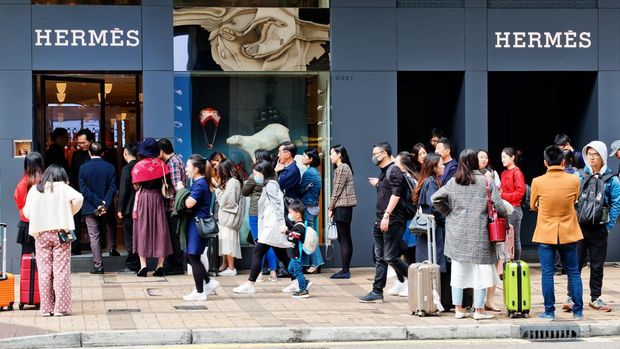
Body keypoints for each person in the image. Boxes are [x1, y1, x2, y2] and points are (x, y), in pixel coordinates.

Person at [431, 149, 508, 320]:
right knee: (481, 272)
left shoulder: (453, 181)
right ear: (474, 162)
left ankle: (459, 309)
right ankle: (478, 310)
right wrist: (506, 221)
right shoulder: (486, 181)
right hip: (480, 233)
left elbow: (435, 198)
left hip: (456, 233)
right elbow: (500, 207)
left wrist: (449, 213)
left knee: (458, 271)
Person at [564, 141, 620, 312]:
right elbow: (571, 199)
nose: (592, 158)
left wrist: (608, 226)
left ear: (602, 156)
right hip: (579, 227)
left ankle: (596, 298)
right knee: (575, 264)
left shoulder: (612, 179)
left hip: (599, 229)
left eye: (595, 154)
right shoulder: (579, 176)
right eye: (589, 154)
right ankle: (571, 297)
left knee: (597, 265)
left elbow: (616, 203)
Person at [530, 145, 584, 320]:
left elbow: (532, 205)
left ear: (545, 163)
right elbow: (576, 199)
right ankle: (578, 311)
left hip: (546, 232)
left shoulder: (538, 181)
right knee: (573, 272)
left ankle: (549, 311)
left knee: (547, 273)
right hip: (569, 232)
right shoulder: (574, 180)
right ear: (563, 161)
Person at [233, 161, 302, 294]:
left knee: (258, 253)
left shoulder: (270, 185)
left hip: (272, 227)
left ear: (262, 173)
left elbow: (277, 205)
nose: (254, 176)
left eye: (255, 173)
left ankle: (250, 283)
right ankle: (298, 281)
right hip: (272, 226)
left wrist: (282, 223)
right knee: (282, 255)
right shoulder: (271, 184)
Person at [23, 165, 83, 317]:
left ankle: (46, 308)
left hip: (41, 233)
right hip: (61, 233)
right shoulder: (63, 187)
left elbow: (27, 212)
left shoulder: (35, 189)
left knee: (44, 271)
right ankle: (60, 308)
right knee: (61, 270)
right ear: (61, 176)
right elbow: (79, 198)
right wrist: (68, 210)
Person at [359, 142, 409, 303]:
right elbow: (387, 191)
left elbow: (396, 194)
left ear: (385, 153)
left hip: (392, 220)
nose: (374, 156)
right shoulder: (384, 172)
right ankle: (377, 291)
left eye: (376, 153)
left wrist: (387, 215)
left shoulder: (394, 170)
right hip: (380, 219)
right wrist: (379, 184)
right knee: (380, 257)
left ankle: (417, 279)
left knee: (390, 256)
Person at [131, 138, 173, 277]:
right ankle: (159, 266)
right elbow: (168, 183)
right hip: (158, 199)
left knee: (142, 230)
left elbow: (136, 186)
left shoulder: (138, 166)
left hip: (143, 199)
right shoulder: (161, 165)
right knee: (160, 230)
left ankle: (143, 267)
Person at [411, 153, 448, 304]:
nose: (444, 166)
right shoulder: (431, 182)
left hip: (426, 232)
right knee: (433, 263)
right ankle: (434, 300)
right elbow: (435, 206)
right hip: (432, 232)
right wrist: (447, 216)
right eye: (441, 163)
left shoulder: (426, 181)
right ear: (434, 167)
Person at [182, 154, 220, 301]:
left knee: (193, 256)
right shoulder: (200, 182)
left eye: (188, 166)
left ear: (196, 168)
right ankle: (209, 283)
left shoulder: (200, 184)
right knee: (189, 255)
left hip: (198, 224)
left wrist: (180, 190)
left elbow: (189, 203)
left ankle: (200, 292)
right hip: (195, 223)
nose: (186, 169)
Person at [79, 142, 117, 274]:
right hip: (107, 205)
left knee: (94, 236)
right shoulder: (110, 167)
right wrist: (104, 203)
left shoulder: (83, 168)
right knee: (110, 227)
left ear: (89, 153)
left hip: (90, 206)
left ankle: (98, 265)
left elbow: (83, 189)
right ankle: (112, 249)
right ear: (103, 153)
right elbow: (113, 188)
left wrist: (96, 202)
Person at [242, 149, 278, 282]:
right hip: (268, 211)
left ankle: (259, 274)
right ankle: (273, 273)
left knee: (259, 243)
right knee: (268, 241)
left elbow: (244, 192)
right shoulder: (273, 174)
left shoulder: (254, 175)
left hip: (255, 211)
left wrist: (252, 192)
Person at [328, 145, 357, 279]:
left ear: (339, 154)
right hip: (345, 207)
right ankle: (345, 270)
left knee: (344, 238)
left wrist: (330, 207)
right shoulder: (343, 168)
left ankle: (345, 271)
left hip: (342, 207)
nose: (330, 156)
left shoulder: (342, 168)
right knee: (345, 238)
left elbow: (337, 190)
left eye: (332, 153)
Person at [158, 138, 187, 275]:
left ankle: (177, 265)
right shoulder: (175, 161)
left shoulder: (173, 164)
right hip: (175, 206)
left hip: (174, 206)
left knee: (175, 236)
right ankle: (175, 263)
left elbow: (177, 187)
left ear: (162, 151)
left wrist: (165, 192)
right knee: (175, 235)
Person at [214, 159, 245, 276]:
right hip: (228, 218)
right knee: (226, 241)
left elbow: (227, 203)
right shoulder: (232, 181)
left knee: (229, 242)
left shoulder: (233, 182)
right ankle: (226, 265)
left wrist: (217, 190)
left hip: (229, 219)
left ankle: (231, 269)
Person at [297, 148, 324, 274]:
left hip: (309, 207)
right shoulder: (314, 172)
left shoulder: (309, 173)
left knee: (310, 237)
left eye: (304, 156)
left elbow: (300, 190)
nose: (302, 158)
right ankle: (308, 263)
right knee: (309, 236)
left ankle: (316, 263)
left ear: (310, 159)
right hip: (312, 207)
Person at [14, 152, 44, 255]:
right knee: (43, 258)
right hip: (40, 224)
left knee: (28, 258)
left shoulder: (22, 184)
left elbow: (20, 205)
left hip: (28, 224)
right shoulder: (44, 182)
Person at [69, 129, 94, 255]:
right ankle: (76, 246)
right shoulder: (76, 154)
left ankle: (97, 247)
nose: (80, 145)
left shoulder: (96, 153)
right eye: (79, 143)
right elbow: (73, 172)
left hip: (94, 192)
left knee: (95, 220)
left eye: (83, 142)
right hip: (79, 191)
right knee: (76, 220)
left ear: (91, 141)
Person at [500, 147, 526, 260]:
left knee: (514, 238)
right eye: (502, 158)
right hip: (505, 208)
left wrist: (502, 195)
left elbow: (520, 193)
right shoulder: (504, 173)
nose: (502, 160)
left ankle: (516, 263)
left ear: (512, 157)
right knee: (506, 238)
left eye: (505, 157)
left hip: (514, 209)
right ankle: (508, 264)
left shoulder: (517, 172)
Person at [118, 143, 140, 272]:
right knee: (138, 235)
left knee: (129, 236)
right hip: (141, 207)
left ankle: (132, 263)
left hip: (129, 208)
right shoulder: (140, 166)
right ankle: (138, 262)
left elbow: (123, 190)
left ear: (125, 153)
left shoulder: (126, 169)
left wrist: (120, 208)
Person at [285, 198, 311, 298]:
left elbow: (293, 238)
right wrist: (288, 232)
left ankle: (303, 290)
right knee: (291, 269)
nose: (289, 215)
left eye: (290, 212)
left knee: (297, 271)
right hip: (295, 254)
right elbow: (294, 235)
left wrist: (287, 233)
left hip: (297, 254)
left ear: (297, 214)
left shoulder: (299, 227)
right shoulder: (298, 226)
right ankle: (304, 282)